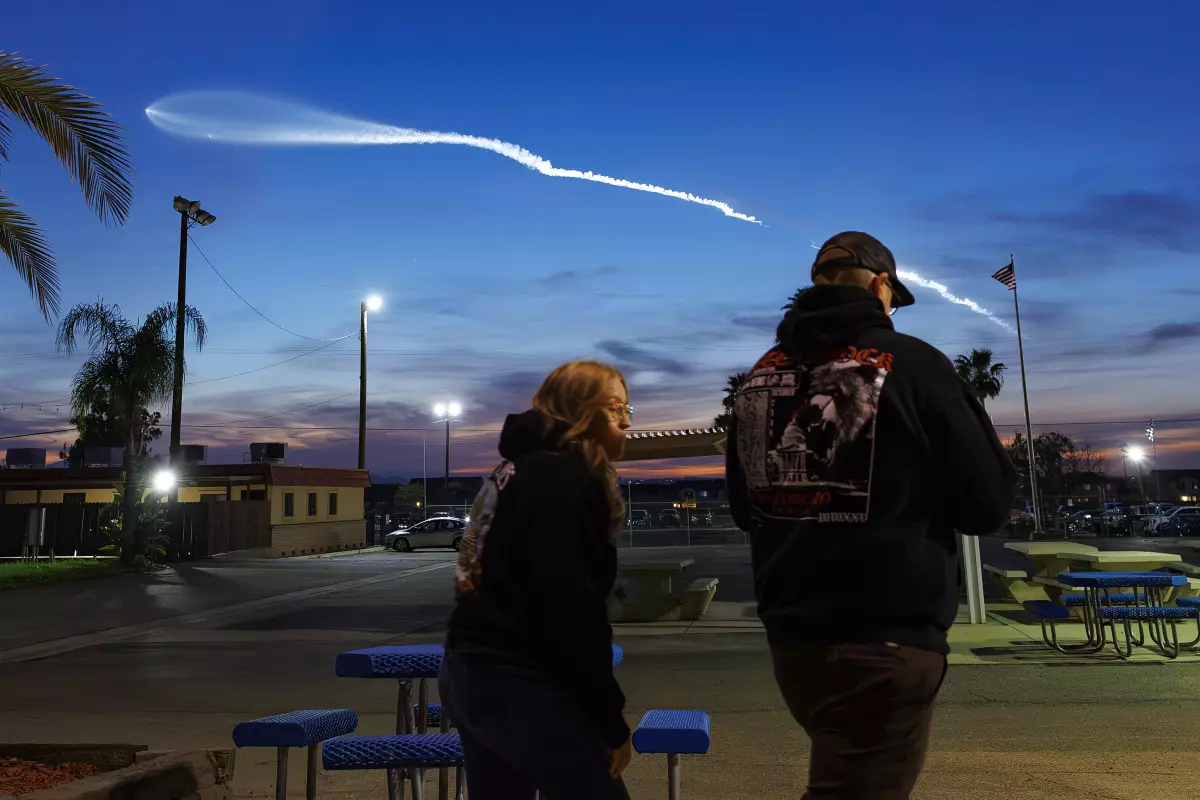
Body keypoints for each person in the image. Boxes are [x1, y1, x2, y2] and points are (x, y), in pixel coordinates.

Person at [725, 231, 1017, 799]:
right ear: (882, 286)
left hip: (793, 638)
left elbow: (745, 508)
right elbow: (986, 505)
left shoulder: (759, 376)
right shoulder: (915, 365)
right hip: (886, 636)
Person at [440, 359, 634, 800]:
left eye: (627, 409)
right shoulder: (563, 480)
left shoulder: (515, 470)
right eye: (615, 407)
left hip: (468, 671)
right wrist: (609, 721)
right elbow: (572, 613)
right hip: (518, 683)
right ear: (580, 412)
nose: (626, 421)